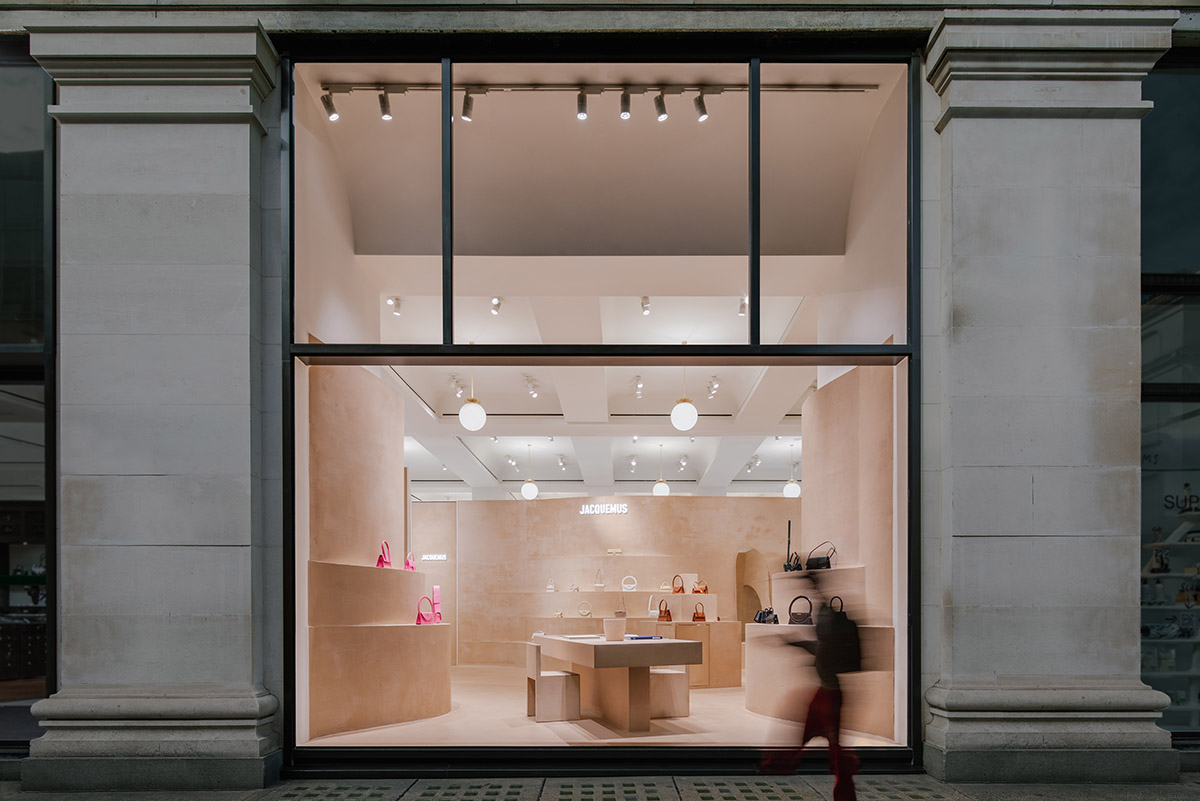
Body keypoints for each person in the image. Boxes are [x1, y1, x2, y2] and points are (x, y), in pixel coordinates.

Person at [763, 574, 861, 801]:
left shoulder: (829, 622)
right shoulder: (827, 620)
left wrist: (794, 643)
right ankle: (774, 767)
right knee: (826, 744)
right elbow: (818, 647)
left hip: (830, 694)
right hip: (826, 692)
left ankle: (772, 768)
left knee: (829, 745)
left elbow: (819, 647)